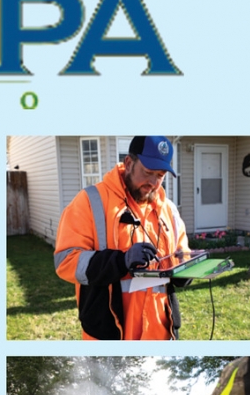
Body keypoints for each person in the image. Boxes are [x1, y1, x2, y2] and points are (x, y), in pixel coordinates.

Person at [54, 137, 189, 340]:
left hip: (162, 333)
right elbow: (66, 262)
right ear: (128, 163)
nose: (153, 182)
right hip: (110, 334)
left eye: (160, 175)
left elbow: (182, 253)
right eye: (148, 172)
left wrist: (185, 269)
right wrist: (121, 261)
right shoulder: (89, 202)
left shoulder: (169, 209)